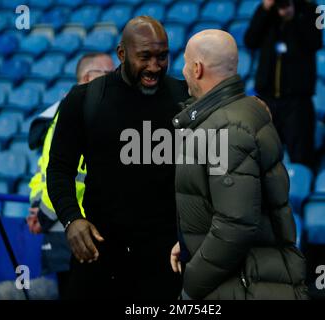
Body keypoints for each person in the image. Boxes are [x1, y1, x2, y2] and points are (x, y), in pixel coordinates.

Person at [47, 16, 189, 300]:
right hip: (100, 254)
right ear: (122, 54)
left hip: (165, 260)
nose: (154, 66)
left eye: (162, 57)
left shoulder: (184, 98)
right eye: (145, 57)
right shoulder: (83, 99)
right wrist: (71, 219)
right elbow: (59, 170)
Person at [170, 29, 308, 300]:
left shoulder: (226, 129)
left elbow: (235, 226)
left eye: (186, 63)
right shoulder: (242, 111)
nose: (184, 70)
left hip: (246, 285)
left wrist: (192, 284)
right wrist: (189, 243)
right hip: (248, 278)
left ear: (196, 68)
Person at [26, 53, 115, 299]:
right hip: (73, 226)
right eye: (107, 74)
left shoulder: (71, 110)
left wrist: (40, 210)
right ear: (88, 77)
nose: (114, 79)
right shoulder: (75, 113)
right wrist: (40, 210)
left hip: (70, 224)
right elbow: (56, 172)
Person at [244, 0, 322, 168]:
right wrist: (264, 9)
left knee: (302, 156)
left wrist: (293, 18)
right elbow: (250, 40)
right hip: (267, 99)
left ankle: (302, 187)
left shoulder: (315, 10)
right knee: (264, 156)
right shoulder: (267, 11)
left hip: (297, 100)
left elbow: (315, 42)